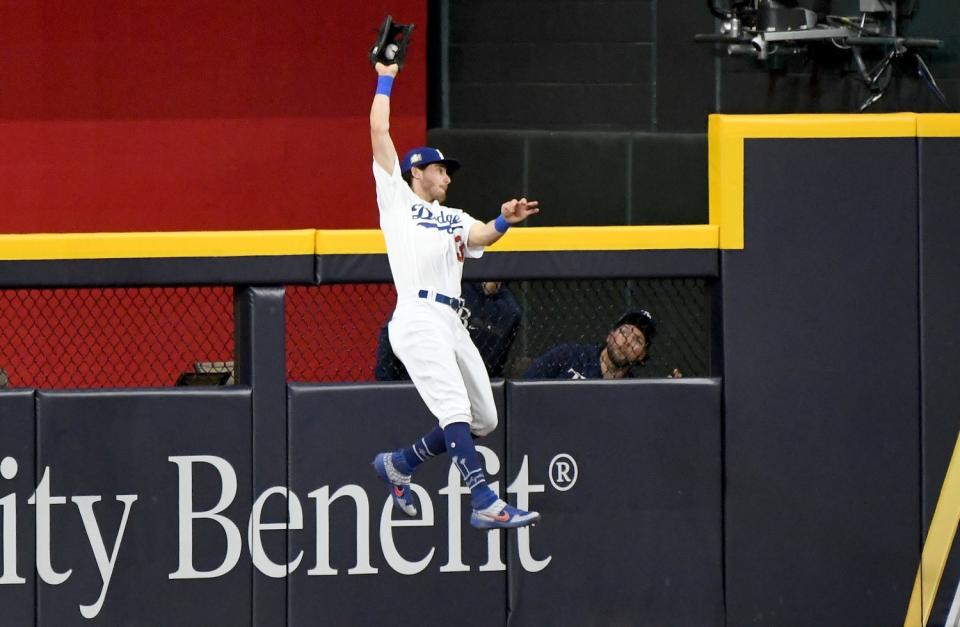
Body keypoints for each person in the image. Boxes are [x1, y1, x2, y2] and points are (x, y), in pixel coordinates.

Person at [369, 59, 541, 529]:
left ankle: (401, 463)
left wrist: (505, 218)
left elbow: (483, 235)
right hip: (418, 316)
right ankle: (483, 497)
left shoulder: (454, 215)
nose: (447, 176)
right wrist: (387, 75)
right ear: (416, 171)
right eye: (440, 169)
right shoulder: (398, 201)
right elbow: (379, 131)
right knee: (454, 409)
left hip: (452, 321)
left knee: (483, 419)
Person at [374, 281, 522, 381]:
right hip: (419, 380)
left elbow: (497, 367)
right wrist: (387, 385)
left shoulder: (510, 311)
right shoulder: (450, 284)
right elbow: (391, 333)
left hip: (466, 390)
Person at [523, 309, 674, 379]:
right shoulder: (568, 355)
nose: (627, 342)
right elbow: (527, 385)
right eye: (624, 332)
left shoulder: (633, 390)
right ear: (610, 335)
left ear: (642, 355)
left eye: (637, 340)